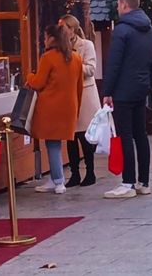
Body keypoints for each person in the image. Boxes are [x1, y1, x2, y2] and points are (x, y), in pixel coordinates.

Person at [103, 0, 152, 199]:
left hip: (122, 91)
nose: (118, 9)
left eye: (119, 5)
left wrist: (107, 91)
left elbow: (114, 62)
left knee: (125, 135)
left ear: (124, 5)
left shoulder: (122, 30)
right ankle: (143, 181)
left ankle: (127, 182)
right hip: (141, 89)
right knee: (141, 135)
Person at [27, 24, 83, 195]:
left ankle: (58, 180)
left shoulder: (48, 57)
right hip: (69, 106)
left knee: (52, 143)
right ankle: (55, 178)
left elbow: (38, 83)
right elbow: (79, 87)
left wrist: (29, 75)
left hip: (50, 107)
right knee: (56, 143)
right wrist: (77, 108)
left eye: (45, 37)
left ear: (52, 38)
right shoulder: (76, 58)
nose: (44, 40)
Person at [59, 15, 101, 187]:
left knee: (84, 137)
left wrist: (72, 65)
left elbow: (91, 69)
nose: (61, 31)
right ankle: (74, 173)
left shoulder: (86, 45)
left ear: (72, 29)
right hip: (68, 96)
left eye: (64, 28)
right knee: (70, 137)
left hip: (84, 95)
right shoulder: (59, 47)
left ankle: (90, 172)